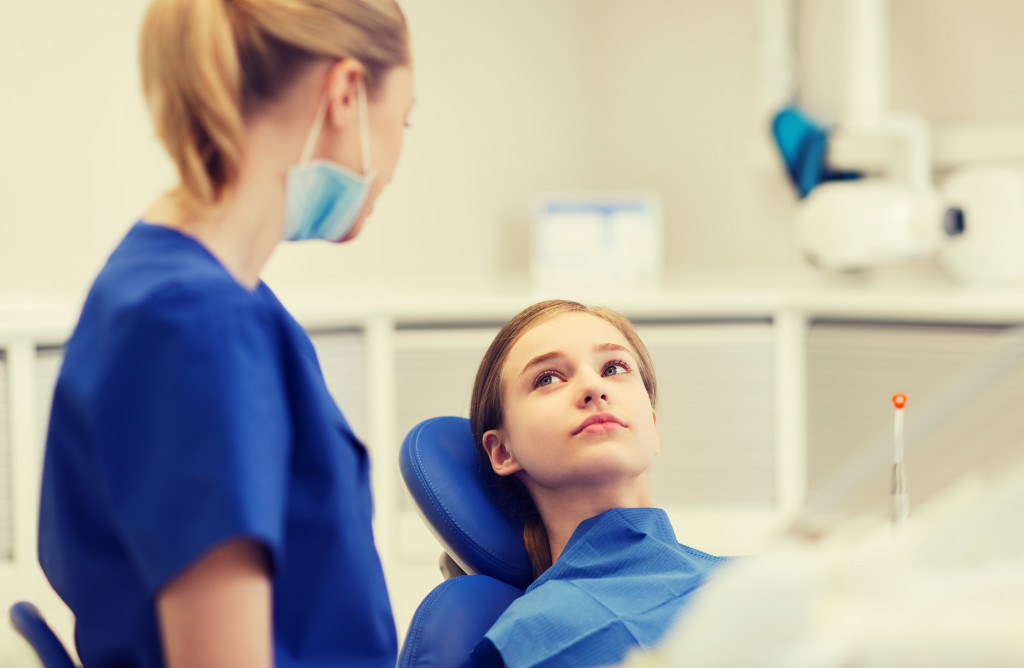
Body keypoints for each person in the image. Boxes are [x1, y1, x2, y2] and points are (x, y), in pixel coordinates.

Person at [37, 1, 414, 666]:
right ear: (346, 92)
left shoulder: (178, 291)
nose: (398, 159)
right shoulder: (196, 323)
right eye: (403, 118)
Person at [468, 300, 729, 668]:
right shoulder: (524, 642)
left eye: (613, 367)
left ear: (652, 426)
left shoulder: (758, 582)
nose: (593, 386)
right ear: (502, 451)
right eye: (548, 378)